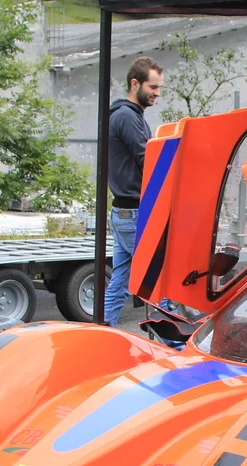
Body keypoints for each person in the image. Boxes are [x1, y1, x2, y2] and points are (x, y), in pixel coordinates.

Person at [103, 56, 164, 327]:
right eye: (153, 87)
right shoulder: (127, 117)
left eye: (159, 87)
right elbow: (147, 160)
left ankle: (102, 331)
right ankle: (173, 343)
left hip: (124, 212)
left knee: (119, 281)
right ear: (135, 83)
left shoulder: (126, 115)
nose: (157, 93)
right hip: (134, 213)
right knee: (159, 279)